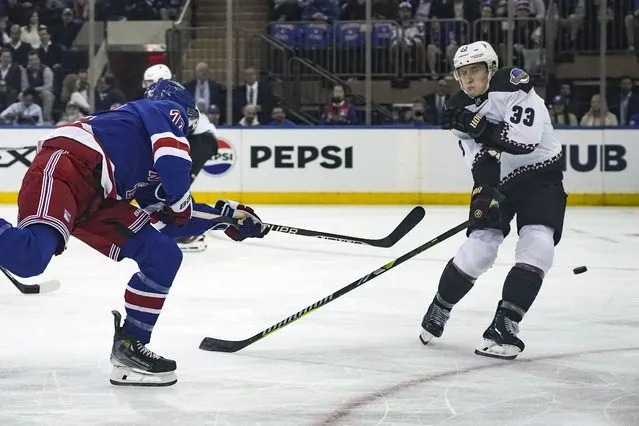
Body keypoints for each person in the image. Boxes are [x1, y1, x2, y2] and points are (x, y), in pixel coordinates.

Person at [0, 80, 269, 386]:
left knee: (163, 255)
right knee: (29, 258)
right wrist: (181, 201)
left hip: (100, 197)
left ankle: (129, 346)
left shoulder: (145, 151)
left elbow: (169, 219)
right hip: (69, 166)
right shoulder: (164, 111)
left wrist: (227, 217)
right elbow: (174, 165)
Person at [419, 41, 566, 360]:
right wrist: (484, 189)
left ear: (491, 68)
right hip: (500, 180)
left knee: (539, 244)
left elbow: (523, 143)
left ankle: (505, 324)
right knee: (479, 249)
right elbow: (478, 157)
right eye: (462, 74)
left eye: (475, 71)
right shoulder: (458, 108)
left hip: (541, 177)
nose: (468, 80)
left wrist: (481, 127)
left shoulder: (513, 85)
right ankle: (441, 306)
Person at [142, 64, 219, 253]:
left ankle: (190, 232)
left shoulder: (171, 98)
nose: (147, 87)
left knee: (176, 185)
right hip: (197, 139)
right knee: (171, 185)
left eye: (151, 82)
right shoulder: (165, 98)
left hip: (201, 140)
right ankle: (183, 227)